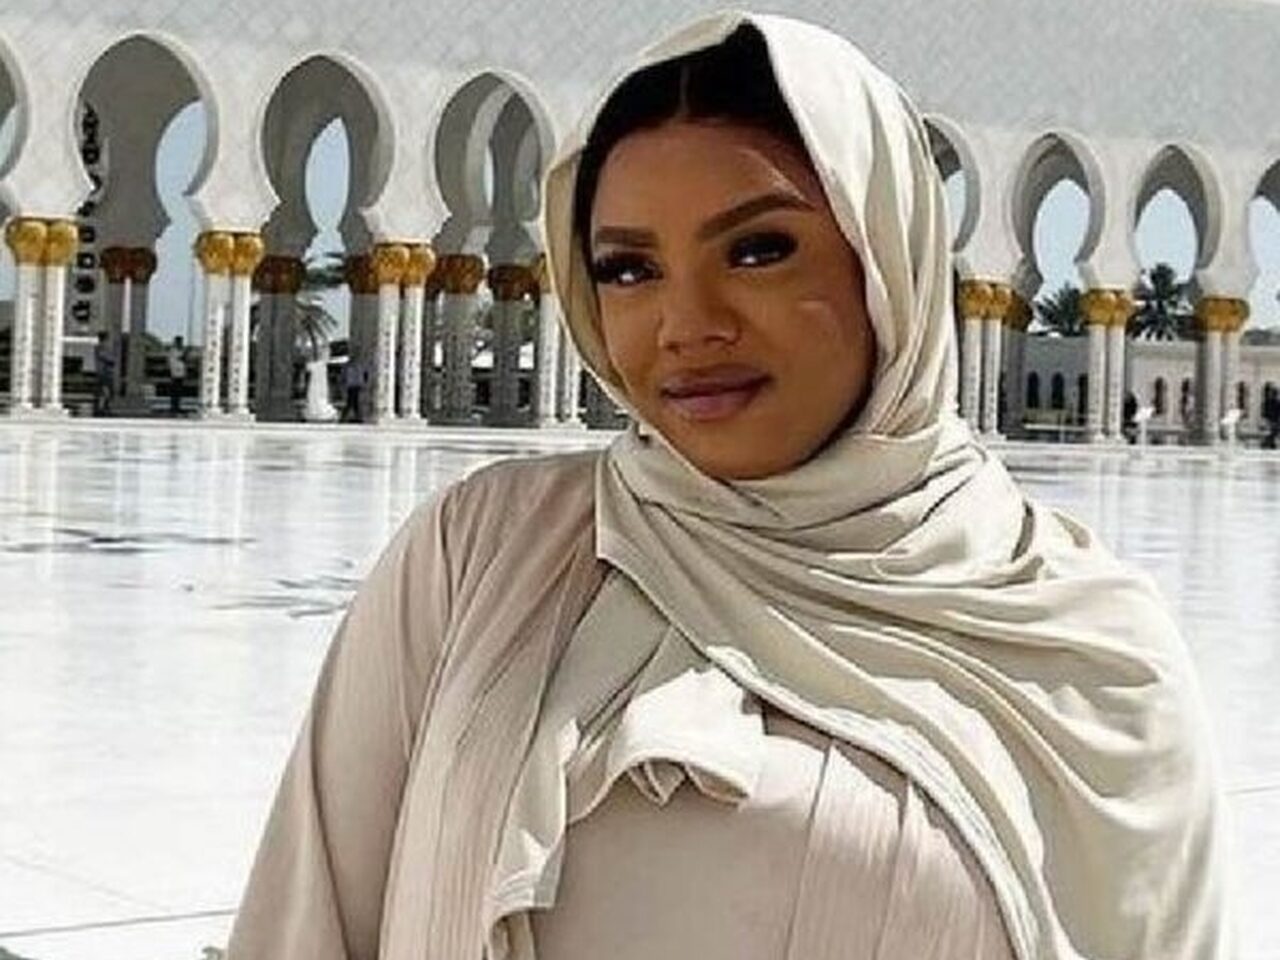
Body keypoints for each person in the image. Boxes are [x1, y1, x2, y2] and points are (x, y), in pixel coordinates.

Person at [226, 14, 1228, 960]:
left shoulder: (1089, 653)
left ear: (887, 260)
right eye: (628, 269)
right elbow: (307, 924)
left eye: (758, 250)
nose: (687, 326)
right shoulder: (480, 555)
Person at [92, 331, 115, 417]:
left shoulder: (103, 348)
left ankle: (104, 408)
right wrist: (111, 359)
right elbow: (108, 359)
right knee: (105, 392)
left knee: (106, 392)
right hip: (103, 373)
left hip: (105, 372)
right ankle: (101, 409)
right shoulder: (100, 348)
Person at [166, 336, 187, 417]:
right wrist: (185, 354)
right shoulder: (174, 351)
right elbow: (180, 358)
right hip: (175, 374)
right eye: (180, 342)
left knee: (178, 392)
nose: (181, 344)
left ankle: (177, 406)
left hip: (180, 374)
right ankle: (174, 407)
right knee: (175, 392)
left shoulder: (179, 350)